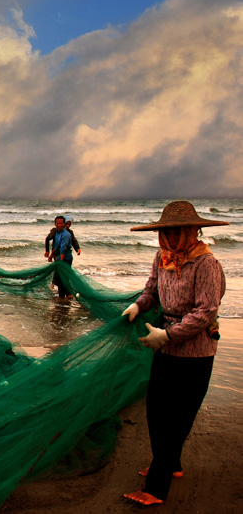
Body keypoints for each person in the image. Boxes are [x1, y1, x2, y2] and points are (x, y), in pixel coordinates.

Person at [122, 201, 228, 507]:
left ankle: (156, 488)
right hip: (165, 345)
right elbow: (151, 290)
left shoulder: (205, 263)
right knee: (156, 409)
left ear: (191, 231)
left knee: (176, 416)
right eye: (165, 231)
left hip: (196, 351)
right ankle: (171, 463)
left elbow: (206, 311)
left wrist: (168, 334)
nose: (169, 238)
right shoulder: (162, 257)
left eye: (176, 231)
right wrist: (138, 306)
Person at [46, 215, 73, 299]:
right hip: (58, 258)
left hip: (66, 258)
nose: (59, 225)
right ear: (55, 224)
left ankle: (67, 296)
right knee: (59, 278)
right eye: (57, 223)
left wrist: (60, 262)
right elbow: (56, 246)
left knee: (63, 278)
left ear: (64, 224)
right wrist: (50, 256)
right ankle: (64, 296)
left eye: (61, 223)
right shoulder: (57, 233)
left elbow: (63, 249)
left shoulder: (66, 235)